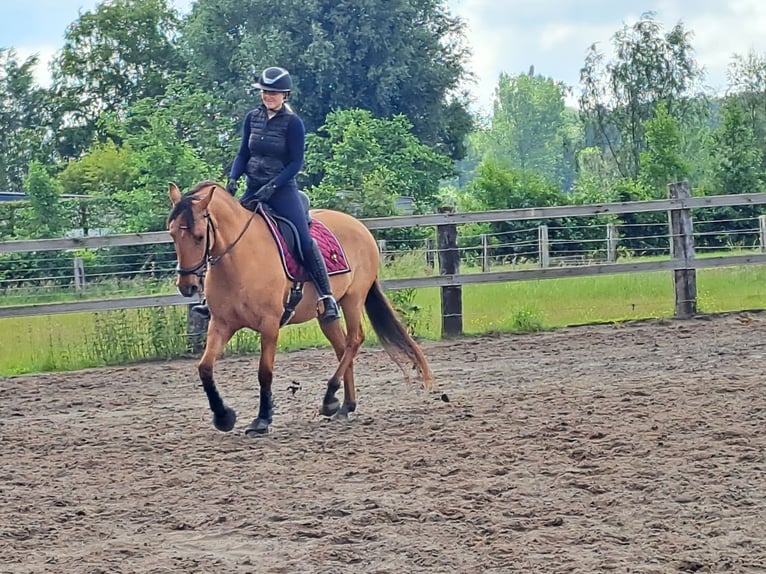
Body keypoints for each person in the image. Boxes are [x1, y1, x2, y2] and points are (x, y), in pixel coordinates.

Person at [192, 66, 340, 323]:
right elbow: (243, 153)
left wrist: (273, 186)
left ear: (285, 95)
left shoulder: (293, 124)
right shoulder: (252, 118)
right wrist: (233, 178)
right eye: (265, 92)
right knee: (226, 236)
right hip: (253, 188)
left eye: (274, 93)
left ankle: (326, 297)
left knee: (304, 240)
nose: (269, 96)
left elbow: (296, 163)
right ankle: (213, 299)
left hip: (282, 191)